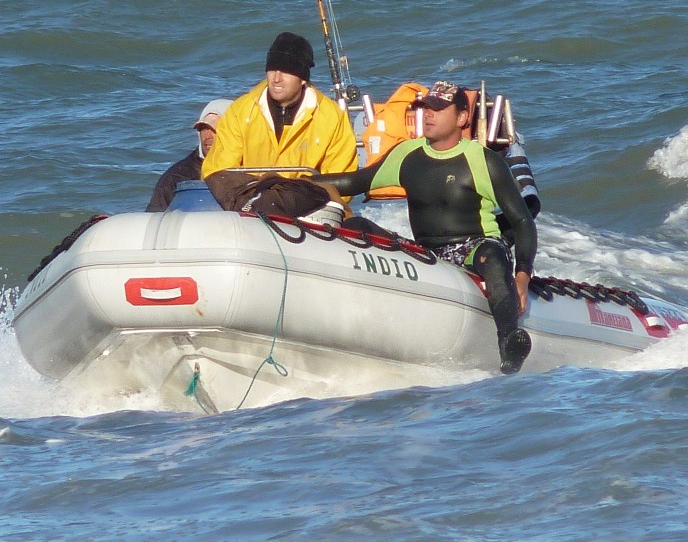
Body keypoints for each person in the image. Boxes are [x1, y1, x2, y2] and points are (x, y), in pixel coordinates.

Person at [319, 81, 537, 375]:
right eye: (426, 108)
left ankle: (510, 341)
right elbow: (355, 183)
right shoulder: (408, 154)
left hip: (475, 247)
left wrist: (522, 277)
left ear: (461, 118)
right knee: (356, 225)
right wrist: (298, 182)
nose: (429, 115)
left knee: (493, 258)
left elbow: (523, 220)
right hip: (427, 254)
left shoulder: (482, 160)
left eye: (438, 108)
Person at [202, 31, 359, 181]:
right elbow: (218, 170)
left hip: (308, 201)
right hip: (249, 201)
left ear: (303, 78)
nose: (277, 78)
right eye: (272, 70)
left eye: (286, 71)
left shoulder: (332, 117)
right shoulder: (240, 112)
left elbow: (341, 176)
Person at [145, 98, 232, 212]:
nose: (208, 136)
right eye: (203, 129)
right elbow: (155, 214)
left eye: (215, 129)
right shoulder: (177, 176)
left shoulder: (250, 167)